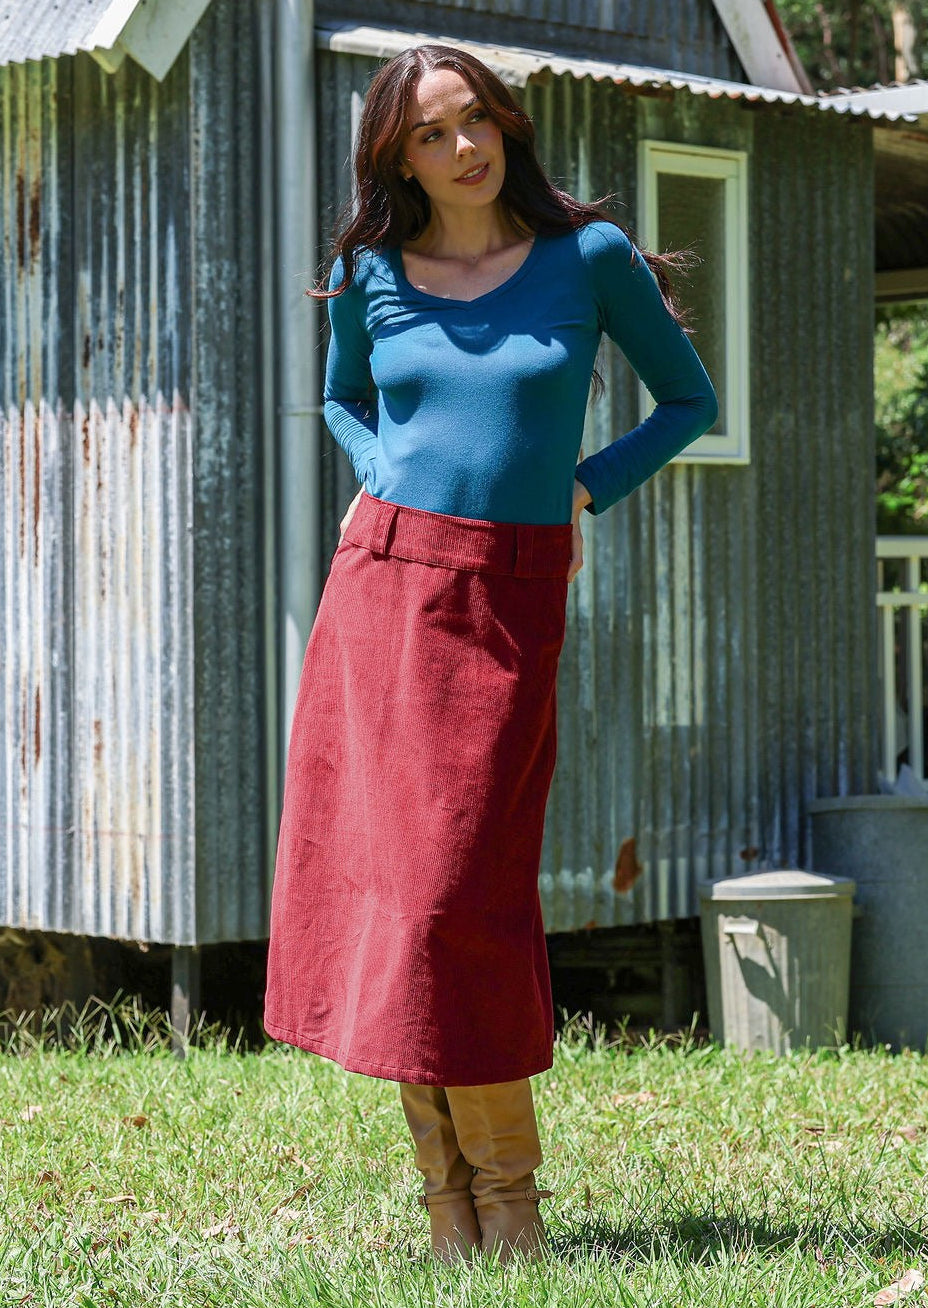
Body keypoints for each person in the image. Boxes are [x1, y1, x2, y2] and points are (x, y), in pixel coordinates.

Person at [264, 42, 718, 1265]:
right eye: (431, 134)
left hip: (509, 595)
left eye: (477, 122)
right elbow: (344, 400)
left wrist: (586, 485)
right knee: (398, 898)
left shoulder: (589, 260)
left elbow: (689, 403)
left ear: (508, 124)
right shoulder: (372, 271)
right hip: (381, 587)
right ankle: (452, 1211)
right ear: (395, 156)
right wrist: (377, 483)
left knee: (455, 890)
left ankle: (508, 1204)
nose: (464, 149)